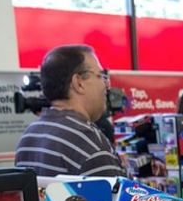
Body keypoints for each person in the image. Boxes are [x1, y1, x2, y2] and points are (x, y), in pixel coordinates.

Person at [15, 44, 123, 178]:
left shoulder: (28, 136)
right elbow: (114, 198)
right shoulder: (90, 146)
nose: (106, 85)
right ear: (79, 83)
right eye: (100, 76)